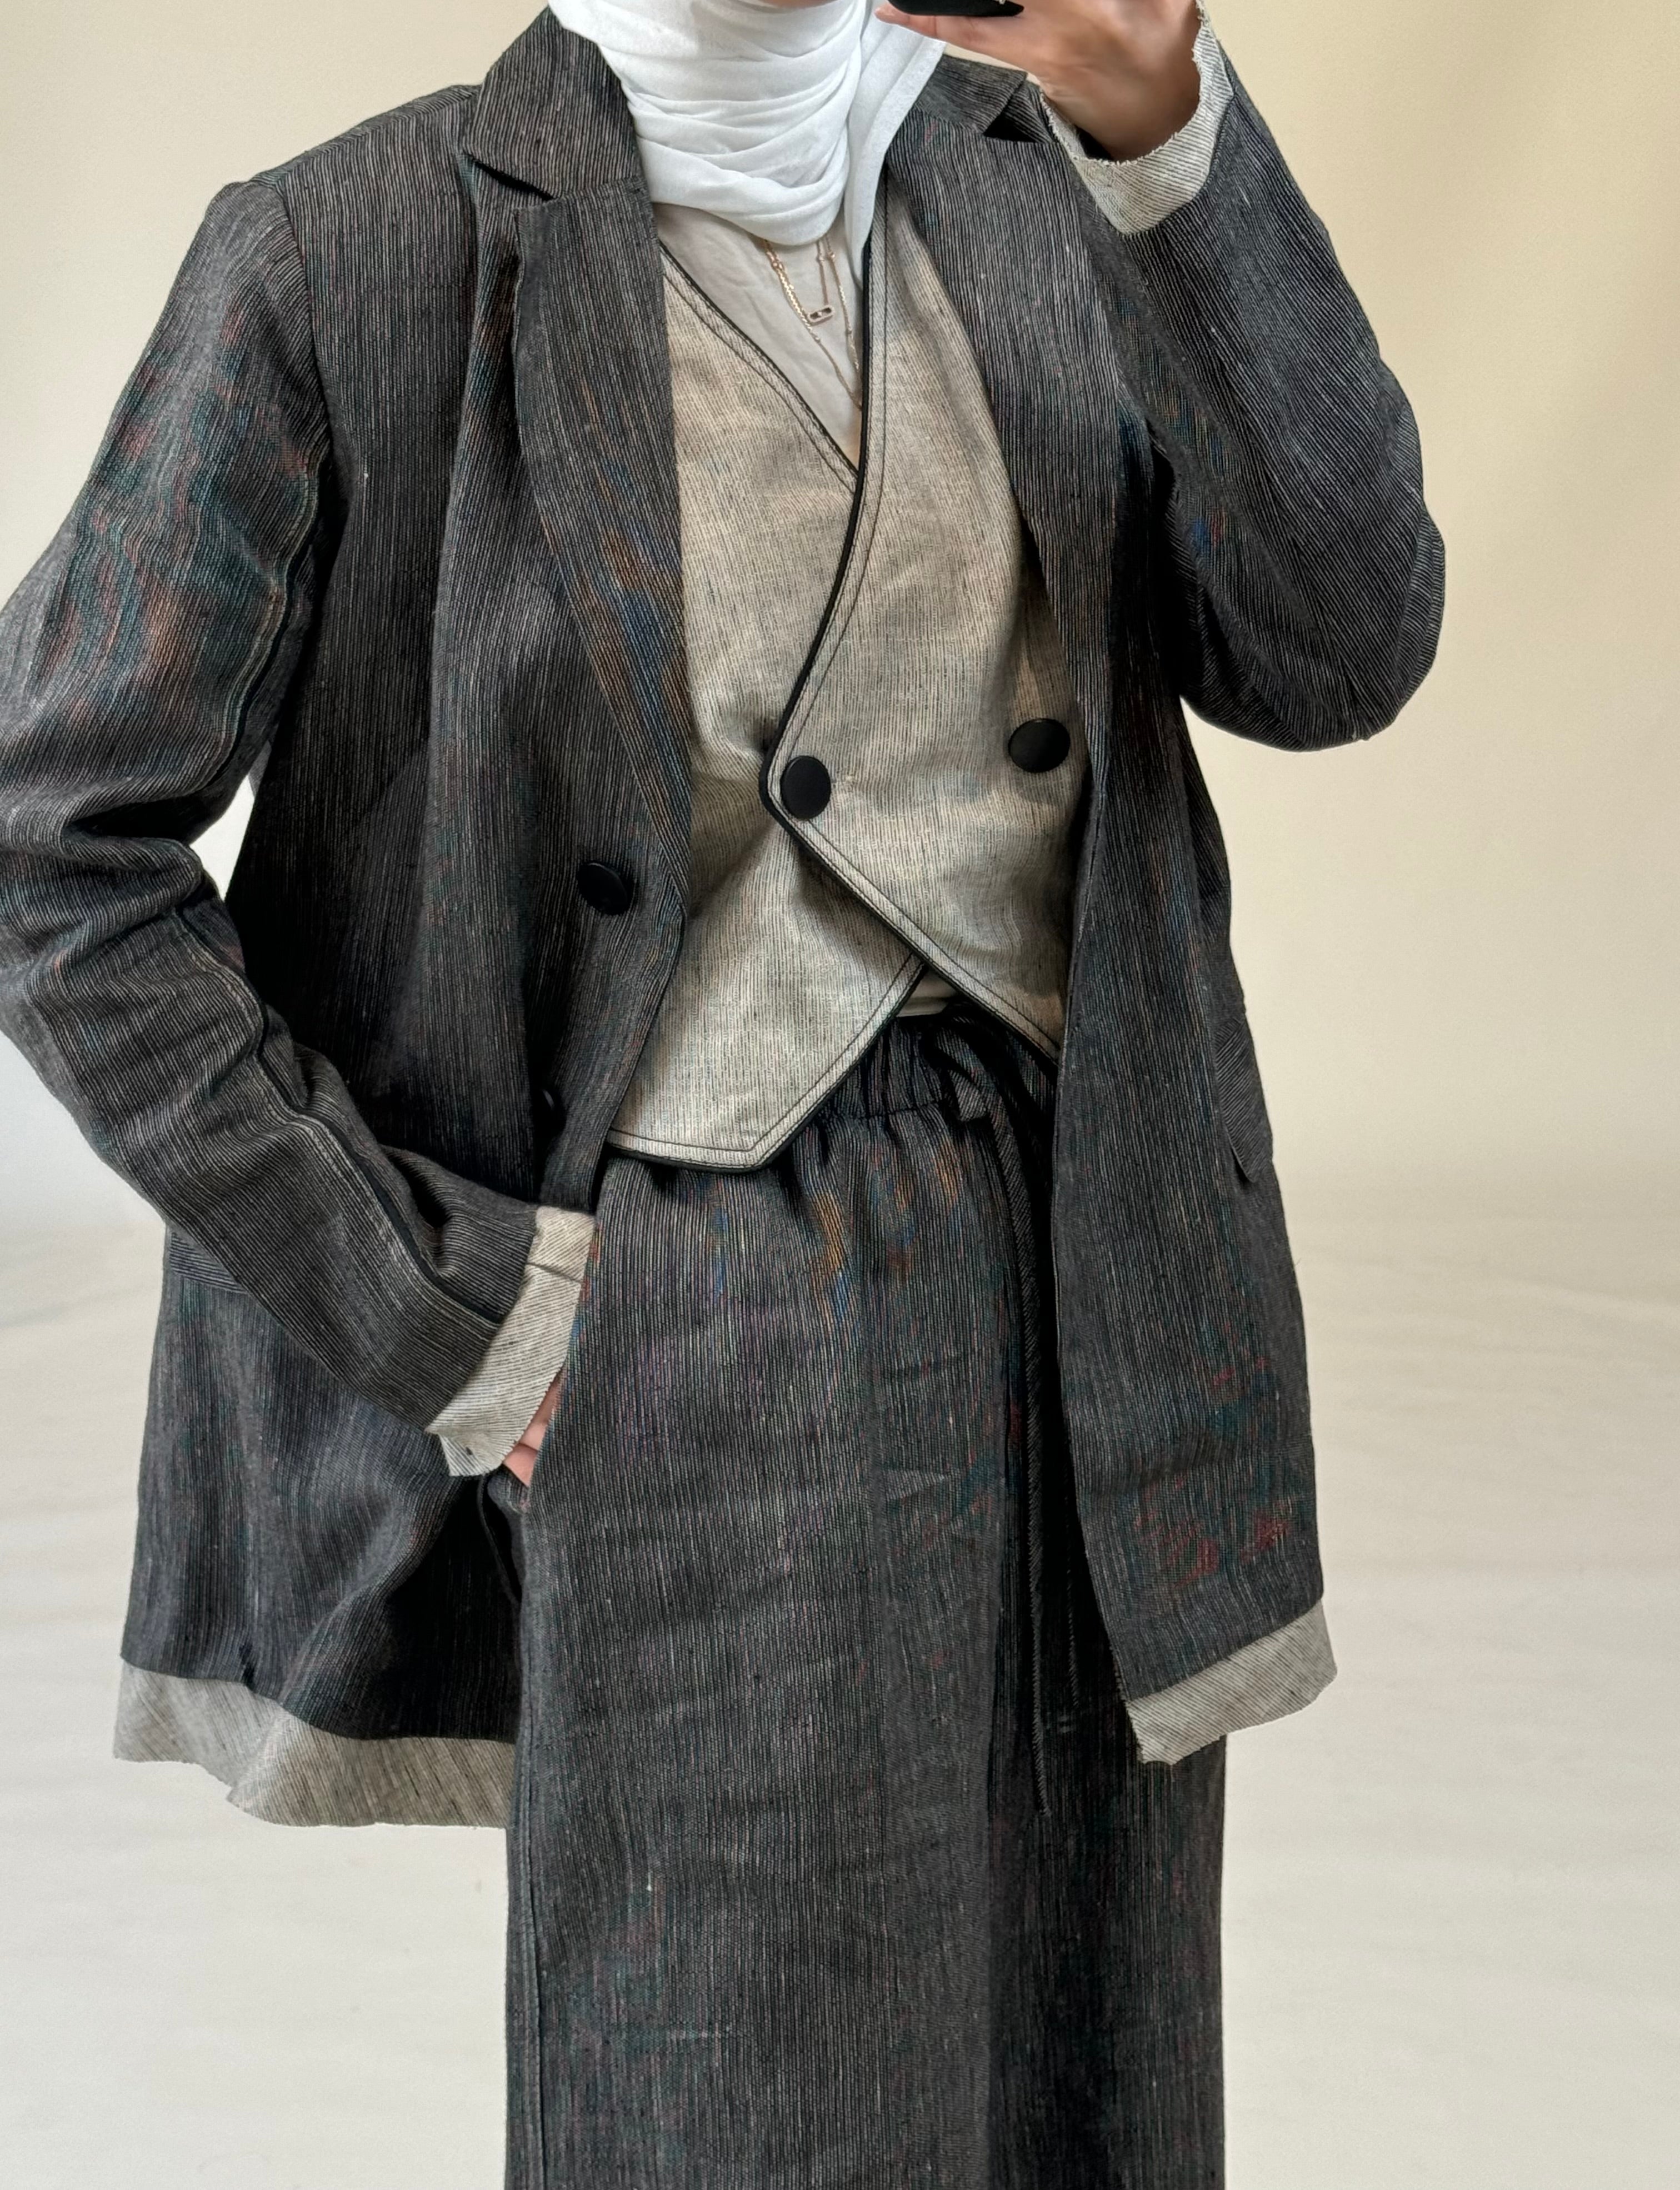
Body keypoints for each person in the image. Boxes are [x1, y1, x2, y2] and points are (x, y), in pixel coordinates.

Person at [0, 0, 1442, 2181]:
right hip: (698, 1329)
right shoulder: (345, 252)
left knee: (1096, 2090)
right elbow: (52, 847)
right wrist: (452, 1306)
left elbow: (1342, 643)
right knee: (733, 2108)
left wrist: (1170, 143)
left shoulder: (1052, 177)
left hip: (1099, 1290)